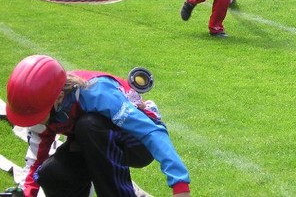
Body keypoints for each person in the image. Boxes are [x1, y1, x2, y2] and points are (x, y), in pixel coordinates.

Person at [5, 54, 191, 197]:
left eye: (35, 115)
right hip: (94, 142)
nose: (33, 122)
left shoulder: (97, 93)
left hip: (137, 143)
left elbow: (151, 132)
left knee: (88, 126)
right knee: (50, 173)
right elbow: (35, 161)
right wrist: (26, 192)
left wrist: (179, 183)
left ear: (59, 97)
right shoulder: (42, 108)